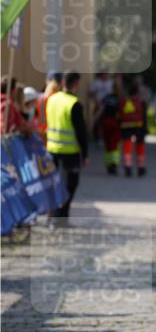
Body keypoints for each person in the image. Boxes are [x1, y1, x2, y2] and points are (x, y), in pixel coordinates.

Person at [45, 71, 88, 223]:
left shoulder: (51, 99)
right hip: (70, 151)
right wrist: (85, 153)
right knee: (71, 183)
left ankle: (52, 213)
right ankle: (63, 213)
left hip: (51, 149)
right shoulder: (74, 104)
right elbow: (81, 132)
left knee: (52, 183)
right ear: (76, 84)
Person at [119, 79, 147, 177]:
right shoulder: (140, 102)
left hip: (126, 126)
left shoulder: (124, 101)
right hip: (138, 126)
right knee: (140, 146)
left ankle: (128, 166)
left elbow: (119, 114)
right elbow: (144, 116)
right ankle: (141, 167)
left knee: (127, 146)